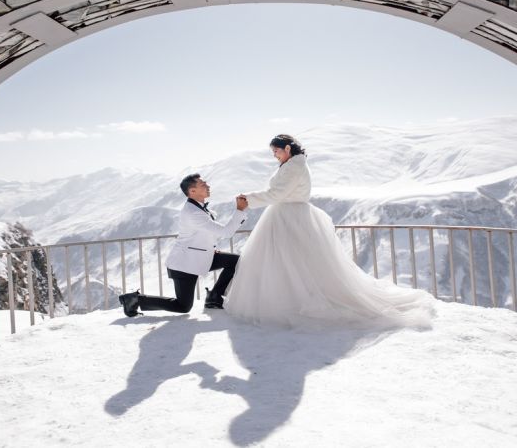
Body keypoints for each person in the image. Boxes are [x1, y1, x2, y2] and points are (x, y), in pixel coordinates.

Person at [225, 134, 434, 329]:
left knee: (290, 261)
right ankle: (294, 300)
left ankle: (294, 302)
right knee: (293, 262)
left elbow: (278, 193)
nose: (274, 155)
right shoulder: (291, 165)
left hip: (289, 216)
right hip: (288, 216)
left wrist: (248, 199)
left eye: (276, 151)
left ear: (287, 148)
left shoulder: (293, 168)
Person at [118, 174, 248, 317]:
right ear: (192, 191)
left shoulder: (198, 208)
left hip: (200, 257)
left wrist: (212, 249)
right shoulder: (193, 213)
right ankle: (134, 300)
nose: (208, 186)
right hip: (183, 265)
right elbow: (226, 232)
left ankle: (215, 297)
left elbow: (202, 234)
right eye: (203, 184)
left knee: (235, 262)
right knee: (182, 306)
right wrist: (240, 210)